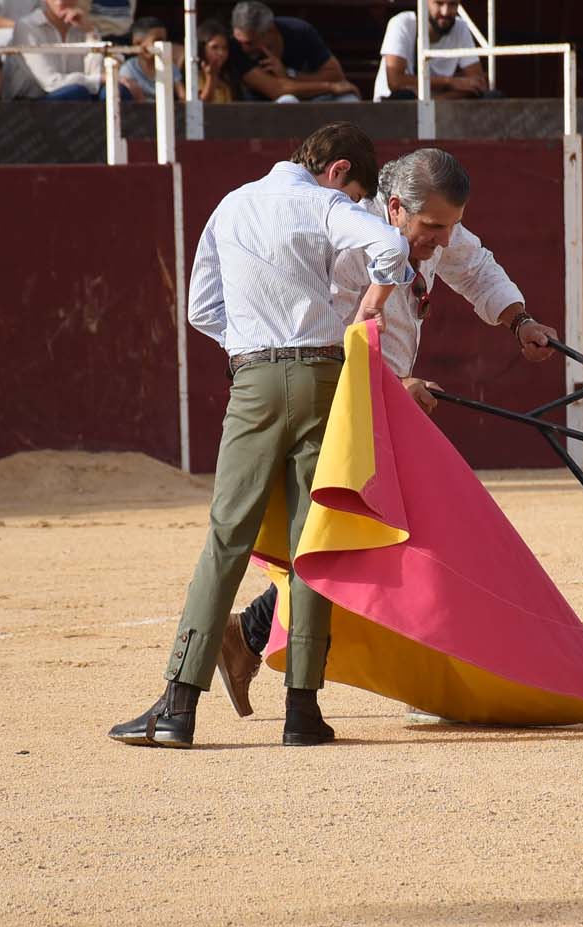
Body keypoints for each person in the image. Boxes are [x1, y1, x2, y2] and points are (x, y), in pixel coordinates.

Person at [212, 147, 560, 719]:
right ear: (395, 207)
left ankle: (249, 636)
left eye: (450, 226)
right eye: (433, 228)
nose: (442, 241)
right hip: (339, 403)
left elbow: (475, 266)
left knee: (381, 538)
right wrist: (394, 382)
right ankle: (261, 640)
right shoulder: (350, 239)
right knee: (367, 537)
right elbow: (325, 333)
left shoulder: (431, 231)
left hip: (384, 404)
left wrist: (518, 320)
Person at [109, 122, 412, 750]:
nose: (353, 202)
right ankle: (302, 711)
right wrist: (371, 304)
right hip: (323, 378)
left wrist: (250, 345)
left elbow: (201, 309)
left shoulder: (232, 205)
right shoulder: (325, 204)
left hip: (253, 381)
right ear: (338, 170)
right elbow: (391, 247)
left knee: (228, 537)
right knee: (312, 540)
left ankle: (178, 707)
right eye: (355, 192)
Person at [227, 0, 357, 103]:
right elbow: (278, 90)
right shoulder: (235, 47)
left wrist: (291, 75)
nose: (243, 48)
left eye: (250, 43)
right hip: (263, 109)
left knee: (349, 100)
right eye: (239, 41)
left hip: (313, 98)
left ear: (269, 31)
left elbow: (336, 75)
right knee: (288, 100)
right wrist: (330, 87)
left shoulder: (298, 31)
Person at [373, 0, 487, 102]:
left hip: (441, 107)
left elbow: (478, 83)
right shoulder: (401, 23)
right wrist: (450, 82)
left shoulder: (460, 27)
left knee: (489, 95)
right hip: (395, 107)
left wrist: (434, 102)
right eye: (439, 3)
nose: (445, 12)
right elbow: (395, 82)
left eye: (452, 4)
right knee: (403, 96)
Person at [2, 0, 104, 100]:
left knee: (109, 91)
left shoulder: (81, 25)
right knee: (76, 92)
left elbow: (95, 73)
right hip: (29, 102)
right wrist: (97, 80)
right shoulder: (27, 26)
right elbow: (51, 83)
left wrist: (90, 31)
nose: (60, 2)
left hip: (75, 96)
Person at [117, 15, 182, 102]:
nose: (163, 45)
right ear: (138, 43)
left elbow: (182, 95)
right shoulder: (128, 69)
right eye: (157, 41)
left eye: (164, 41)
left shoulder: (170, 67)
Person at [193, 17, 239, 102]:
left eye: (224, 48)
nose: (221, 53)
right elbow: (200, 106)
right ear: (202, 48)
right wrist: (211, 78)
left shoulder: (227, 76)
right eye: (214, 47)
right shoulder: (194, 75)